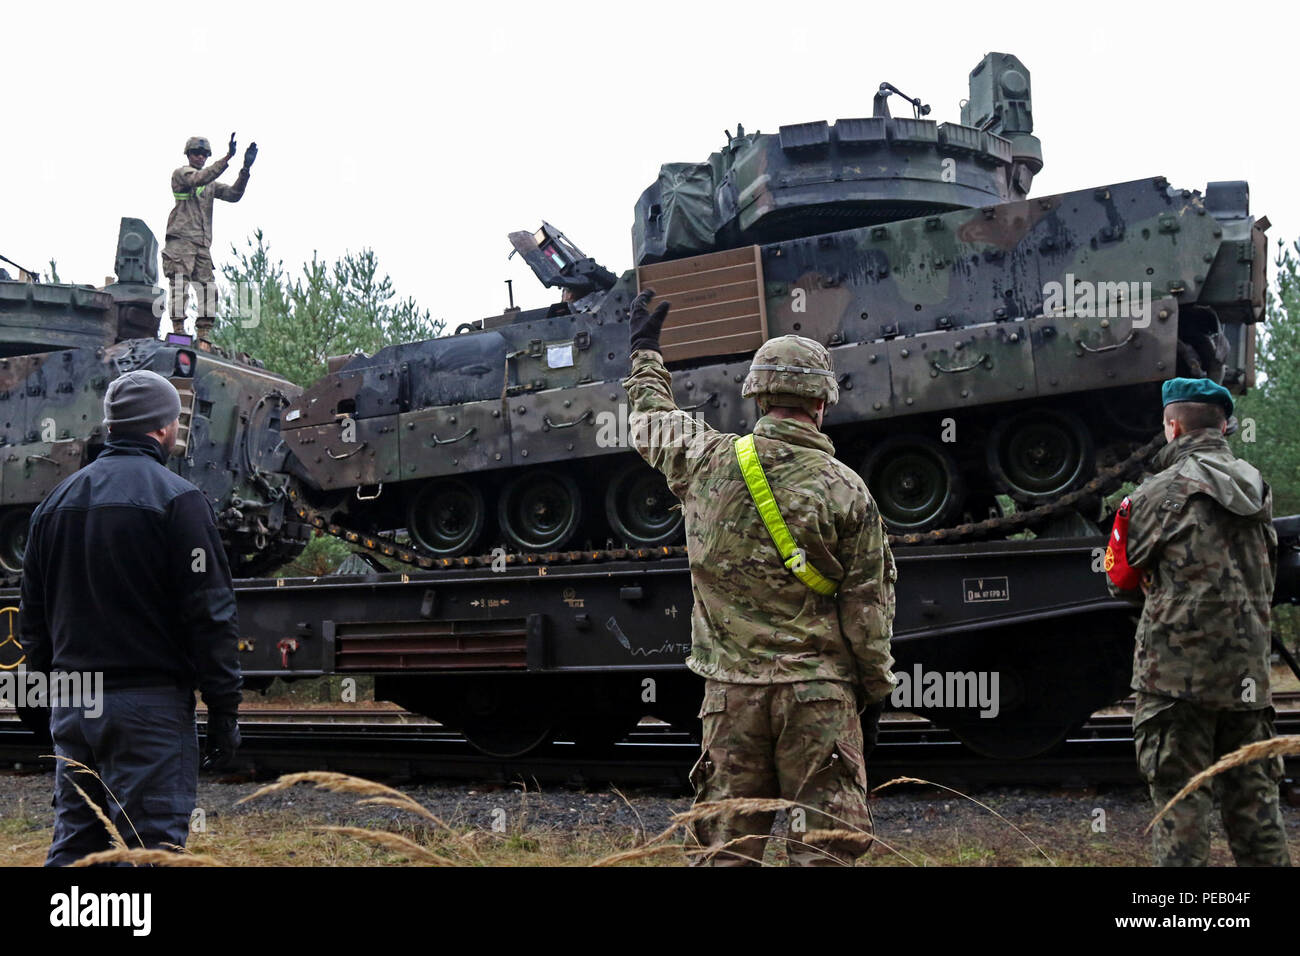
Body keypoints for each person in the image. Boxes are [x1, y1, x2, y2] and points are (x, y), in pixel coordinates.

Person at [621, 289, 896, 866]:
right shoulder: (848, 490)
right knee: (823, 853)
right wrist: (870, 692)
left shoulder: (707, 461)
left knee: (728, 853)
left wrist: (645, 351)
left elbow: (649, 420)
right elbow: (867, 612)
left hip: (731, 697)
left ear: (758, 395)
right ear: (821, 403)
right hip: (819, 698)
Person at [20, 370, 243, 866]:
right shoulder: (180, 501)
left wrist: (39, 701)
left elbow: (31, 621)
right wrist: (224, 707)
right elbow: (210, 614)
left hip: (73, 704)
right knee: (152, 850)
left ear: (111, 424)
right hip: (147, 709)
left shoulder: (52, 506)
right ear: (164, 428)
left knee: (77, 847)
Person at [1106, 376, 1290, 866]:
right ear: (1224, 425)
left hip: (1173, 685)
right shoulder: (1257, 487)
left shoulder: (1151, 496)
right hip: (1249, 682)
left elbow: (1119, 579)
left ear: (1172, 426)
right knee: (1257, 812)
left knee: (1181, 810)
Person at [164, 133, 257, 347]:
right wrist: (226, 159)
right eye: (196, 153)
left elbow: (234, 194)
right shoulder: (182, 174)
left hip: (202, 245)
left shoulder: (210, 184)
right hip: (181, 241)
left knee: (208, 289)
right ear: (188, 155)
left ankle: (204, 335)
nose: (200, 157)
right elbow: (199, 178)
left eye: (204, 154)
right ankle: (179, 330)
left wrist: (245, 170)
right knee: (179, 285)